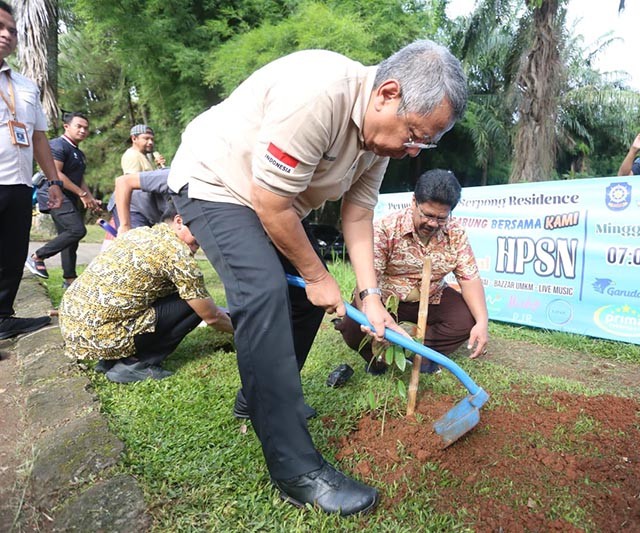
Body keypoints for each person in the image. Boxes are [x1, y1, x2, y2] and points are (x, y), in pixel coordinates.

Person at [168, 40, 467, 516]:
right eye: (413, 135)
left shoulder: (378, 138)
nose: (412, 151)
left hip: (271, 199)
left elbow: (358, 214)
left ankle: (259, 400)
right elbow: (270, 203)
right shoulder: (318, 95)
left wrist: (371, 296)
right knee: (264, 291)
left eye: (424, 143)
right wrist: (316, 274)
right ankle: (295, 468)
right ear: (388, 93)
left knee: (306, 303)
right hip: (216, 182)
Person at [336, 169, 489, 375]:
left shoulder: (455, 234)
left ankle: (421, 356)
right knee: (353, 327)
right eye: (428, 215)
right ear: (414, 201)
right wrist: (369, 315)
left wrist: (482, 322)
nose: (433, 223)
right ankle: (378, 358)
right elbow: (368, 280)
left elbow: (469, 278)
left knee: (466, 320)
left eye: (441, 218)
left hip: (432, 295)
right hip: (386, 297)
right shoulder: (386, 229)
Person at [59, 208, 233, 383]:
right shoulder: (178, 256)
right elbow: (211, 316)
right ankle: (135, 364)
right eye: (202, 229)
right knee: (193, 304)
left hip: (74, 329)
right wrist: (243, 330)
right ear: (179, 221)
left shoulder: (139, 233)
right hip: (102, 335)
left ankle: (109, 360)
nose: (205, 238)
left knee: (175, 294)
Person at [0, 0, 64, 340]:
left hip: (19, 183)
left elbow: (39, 137)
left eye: (12, 30)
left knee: (11, 255)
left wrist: (53, 181)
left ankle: (2, 318)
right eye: (0, 27)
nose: (6, 35)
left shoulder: (25, 86)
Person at [26, 112, 102, 287]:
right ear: (66, 126)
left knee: (70, 238)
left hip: (68, 196)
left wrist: (89, 197)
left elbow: (79, 178)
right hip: (54, 194)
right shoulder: (58, 145)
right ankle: (37, 257)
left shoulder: (78, 152)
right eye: (79, 126)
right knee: (77, 230)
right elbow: (56, 173)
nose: (83, 131)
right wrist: (81, 194)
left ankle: (69, 279)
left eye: (86, 128)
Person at [107, 168, 172, 233]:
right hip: (131, 204)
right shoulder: (168, 177)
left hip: (152, 212)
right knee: (136, 238)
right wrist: (125, 225)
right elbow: (122, 182)